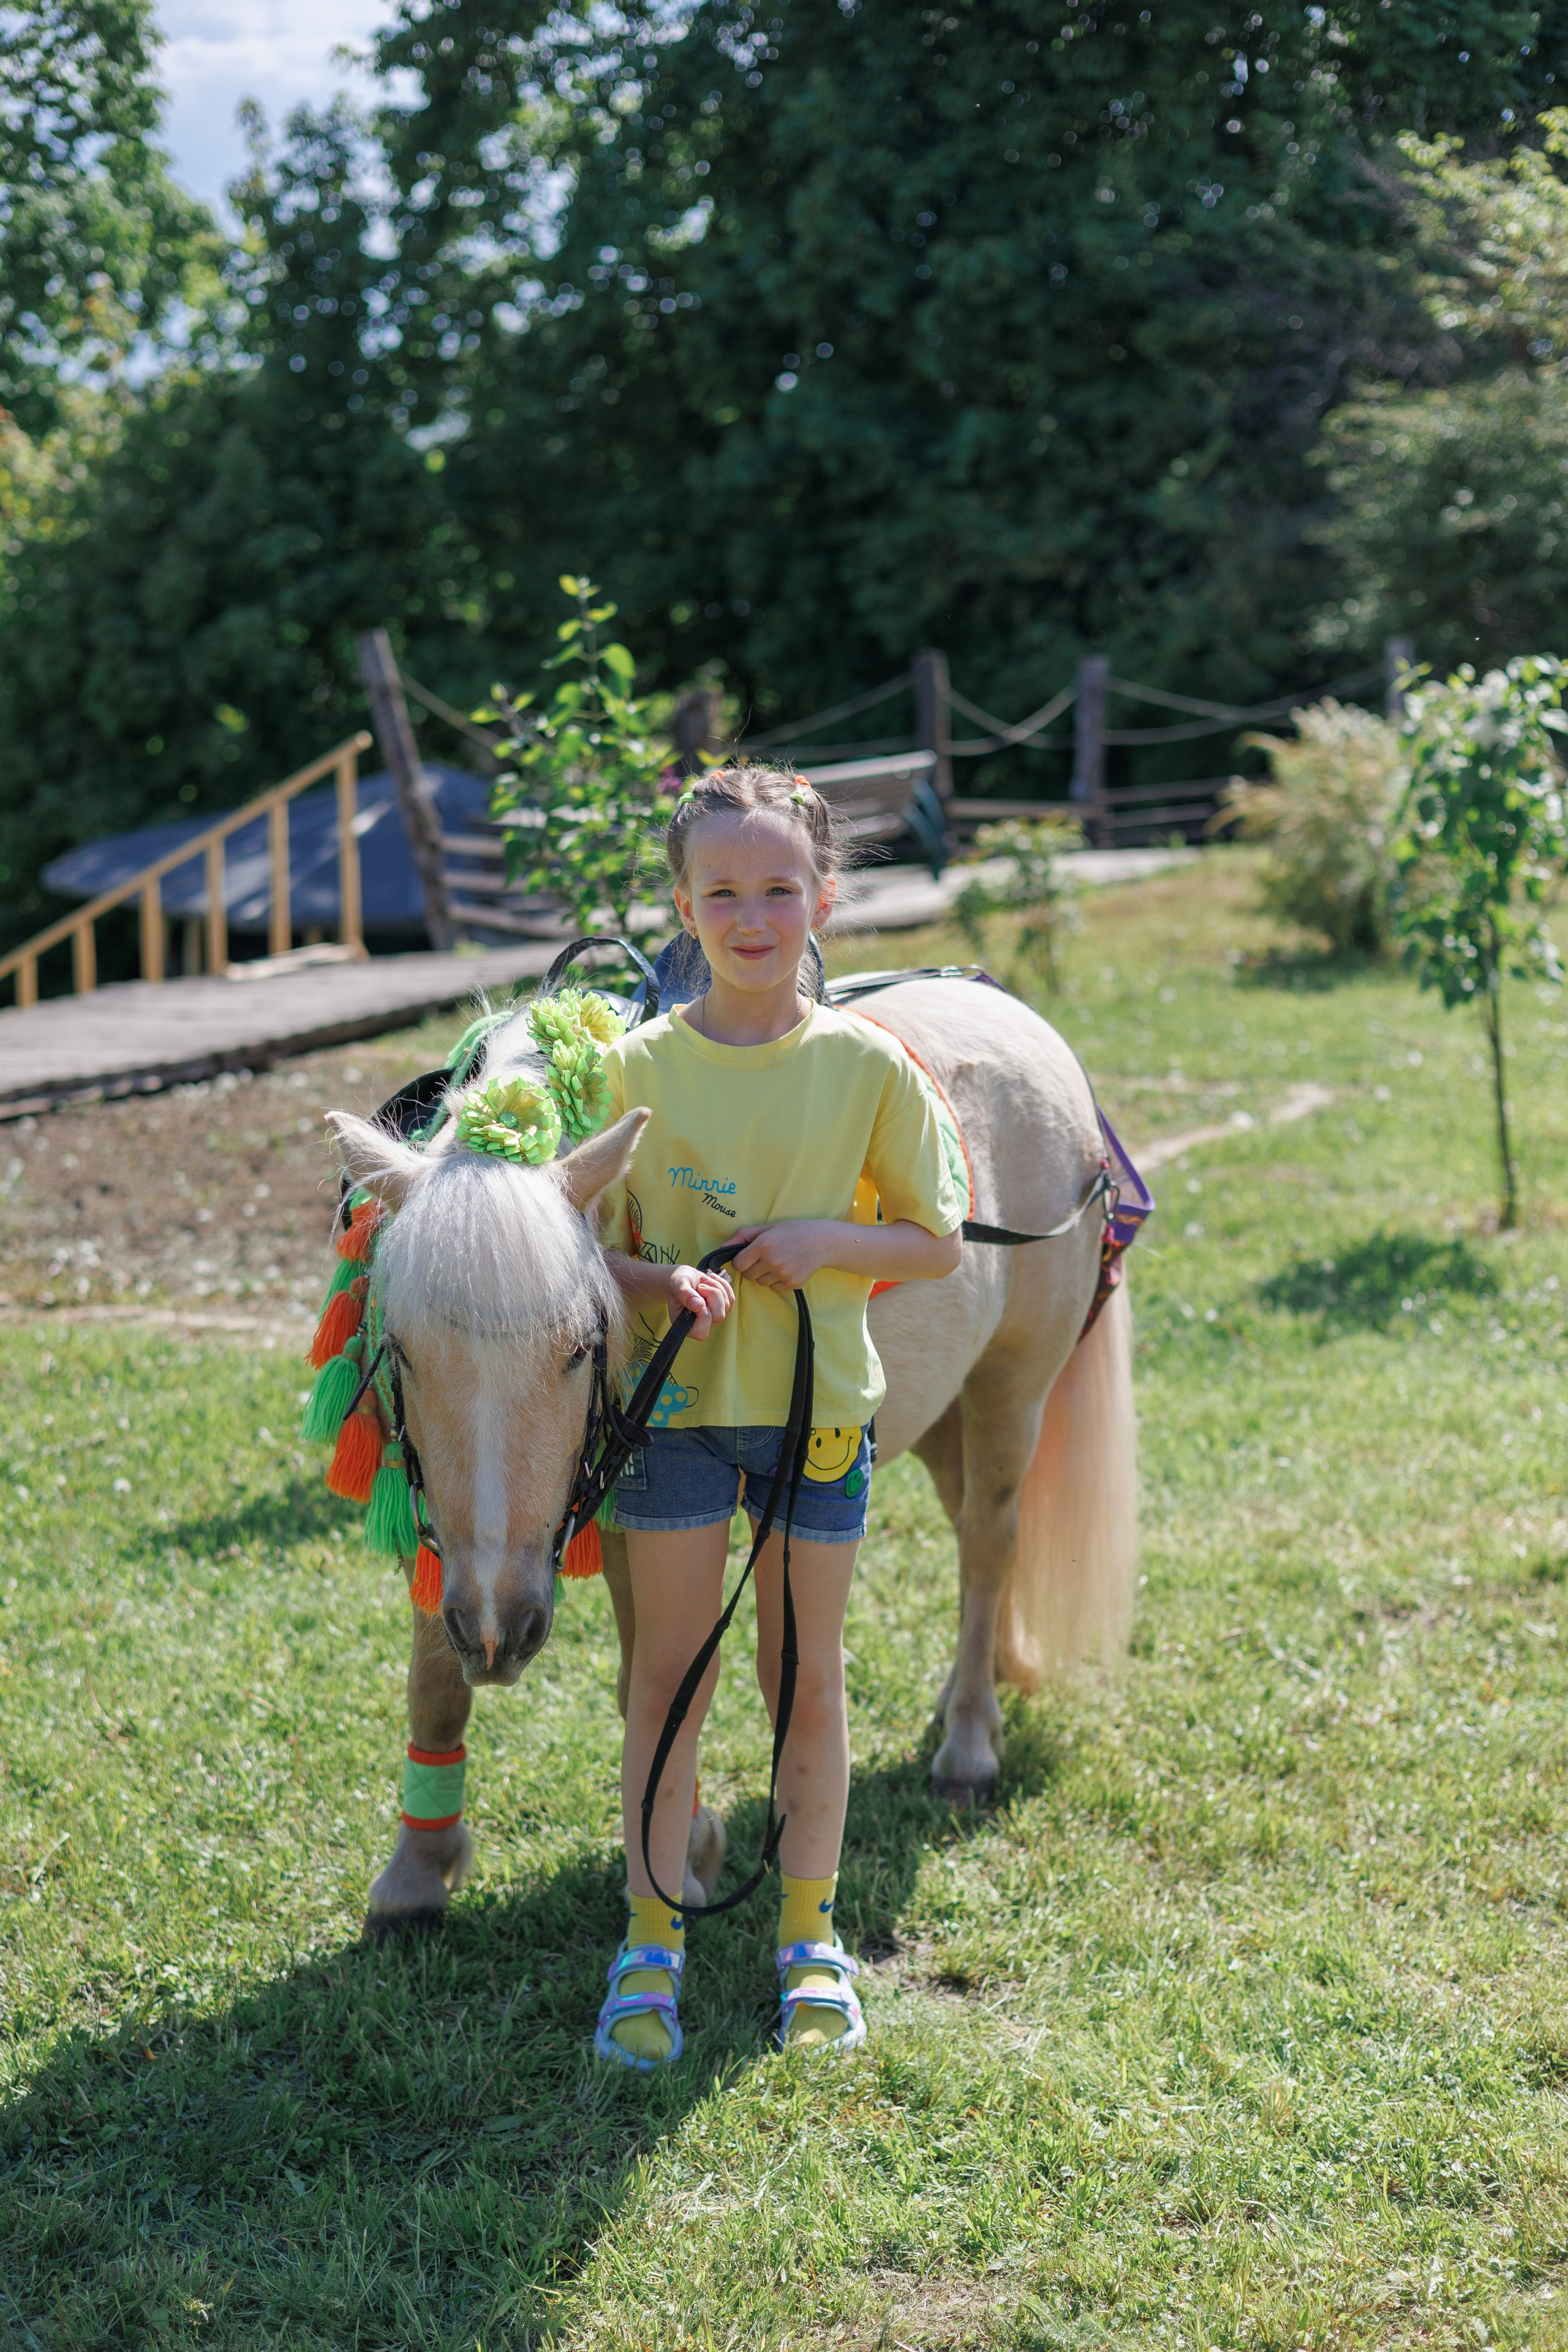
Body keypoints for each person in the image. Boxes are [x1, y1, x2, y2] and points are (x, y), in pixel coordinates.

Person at [591, 765, 963, 2068]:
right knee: (669, 1681)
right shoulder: (630, 1069)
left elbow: (937, 1242)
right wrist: (658, 1281)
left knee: (803, 1680)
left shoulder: (868, 1067)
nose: (752, 916)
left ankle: (809, 1935)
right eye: (723, 892)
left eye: (778, 890)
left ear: (821, 899)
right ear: (681, 906)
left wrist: (819, 1238)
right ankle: (650, 1943)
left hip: (818, 1422)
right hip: (679, 1416)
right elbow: (581, 1253)